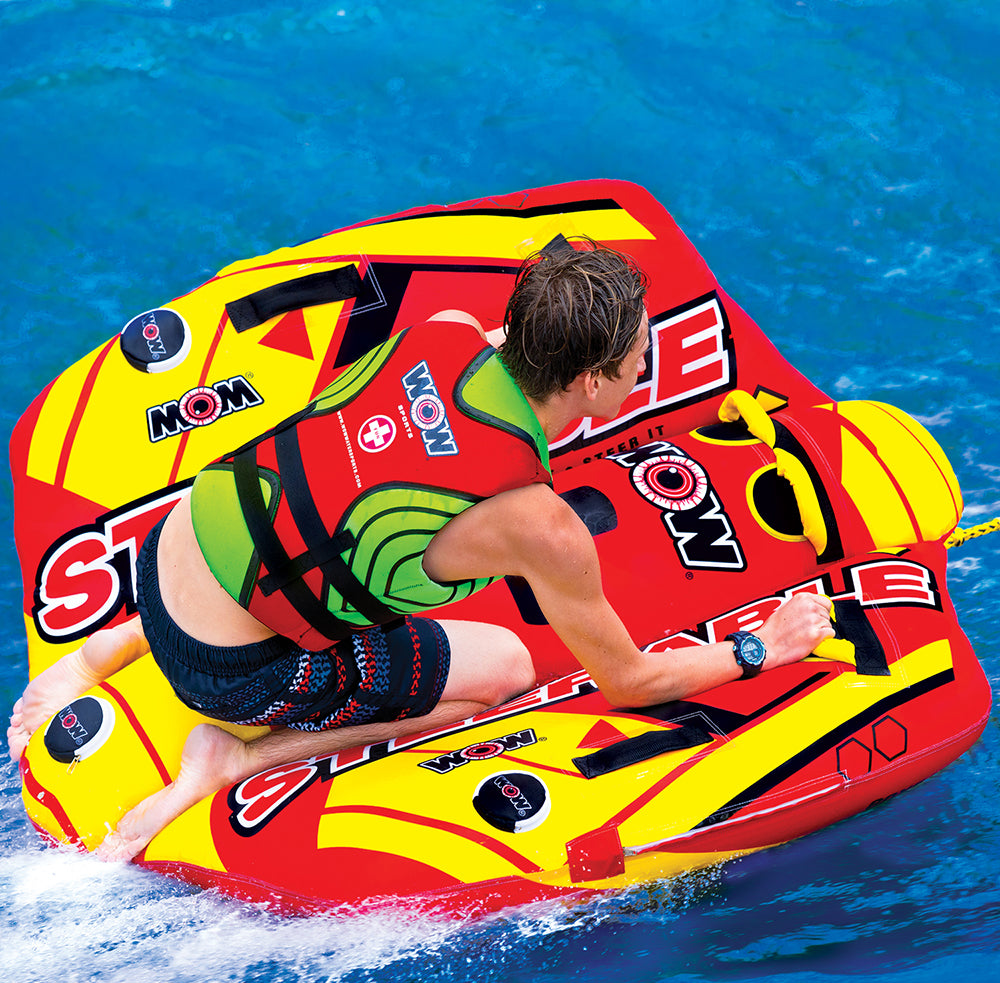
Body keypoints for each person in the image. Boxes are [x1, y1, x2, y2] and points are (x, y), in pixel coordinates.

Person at [7, 241, 834, 860]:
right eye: (637, 357)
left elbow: (437, 427)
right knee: (504, 672)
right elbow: (631, 681)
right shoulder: (540, 526)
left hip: (157, 559)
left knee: (310, 514)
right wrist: (760, 647)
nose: (647, 363)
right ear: (591, 383)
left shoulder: (443, 330)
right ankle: (233, 760)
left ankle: (99, 653)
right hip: (230, 677)